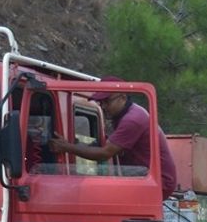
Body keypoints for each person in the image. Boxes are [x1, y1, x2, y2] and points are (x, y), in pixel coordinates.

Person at [49, 76, 178, 199]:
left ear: (122, 97)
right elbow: (107, 146)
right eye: (100, 102)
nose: (103, 106)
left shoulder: (132, 120)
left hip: (158, 182)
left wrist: (67, 147)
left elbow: (105, 153)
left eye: (107, 101)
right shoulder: (125, 115)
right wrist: (76, 144)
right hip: (145, 176)